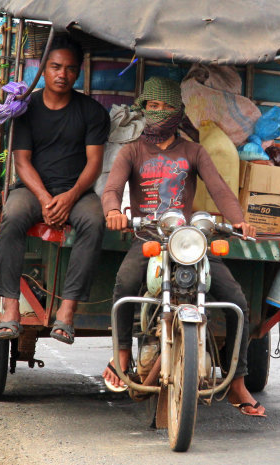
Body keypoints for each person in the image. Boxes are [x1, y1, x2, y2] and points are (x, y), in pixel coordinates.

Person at [101, 76, 265, 417]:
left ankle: (236, 383)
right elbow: (112, 189)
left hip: (188, 239)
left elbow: (220, 189)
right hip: (148, 237)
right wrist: (113, 212)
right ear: (143, 108)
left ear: (178, 110)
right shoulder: (132, 150)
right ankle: (121, 357)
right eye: (152, 106)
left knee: (236, 299)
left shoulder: (194, 150)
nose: (157, 113)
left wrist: (238, 220)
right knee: (124, 284)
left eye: (165, 106)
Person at [0, 34, 110, 344]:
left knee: (95, 222)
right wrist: (45, 199)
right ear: (43, 69)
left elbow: (94, 163)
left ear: (79, 72)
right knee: (13, 214)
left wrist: (70, 198)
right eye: (56, 67)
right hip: (33, 189)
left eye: (70, 69)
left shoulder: (92, 112)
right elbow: (22, 161)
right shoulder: (26, 109)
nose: (62, 74)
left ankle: (66, 313)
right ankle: (10, 310)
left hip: (77, 191)